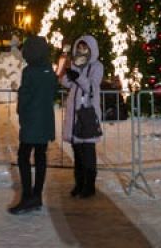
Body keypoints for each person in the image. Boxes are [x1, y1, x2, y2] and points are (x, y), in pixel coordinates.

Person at [9, 35, 58, 214]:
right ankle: (37, 195)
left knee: (23, 156)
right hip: (45, 121)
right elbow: (53, 90)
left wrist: (21, 106)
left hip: (31, 121)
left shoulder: (29, 71)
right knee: (40, 156)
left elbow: (25, 97)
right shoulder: (49, 70)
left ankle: (27, 196)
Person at [61, 35, 104, 198]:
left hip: (87, 113)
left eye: (84, 48)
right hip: (74, 114)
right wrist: (68, 72)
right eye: (79, 48)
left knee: (87, 151)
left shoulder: (96, 66)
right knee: (77, 151)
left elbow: (92, 88)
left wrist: (78, 76)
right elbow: (66, 83)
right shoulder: (76, 63)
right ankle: (79, 183)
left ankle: (89, 185)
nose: (81, 51)